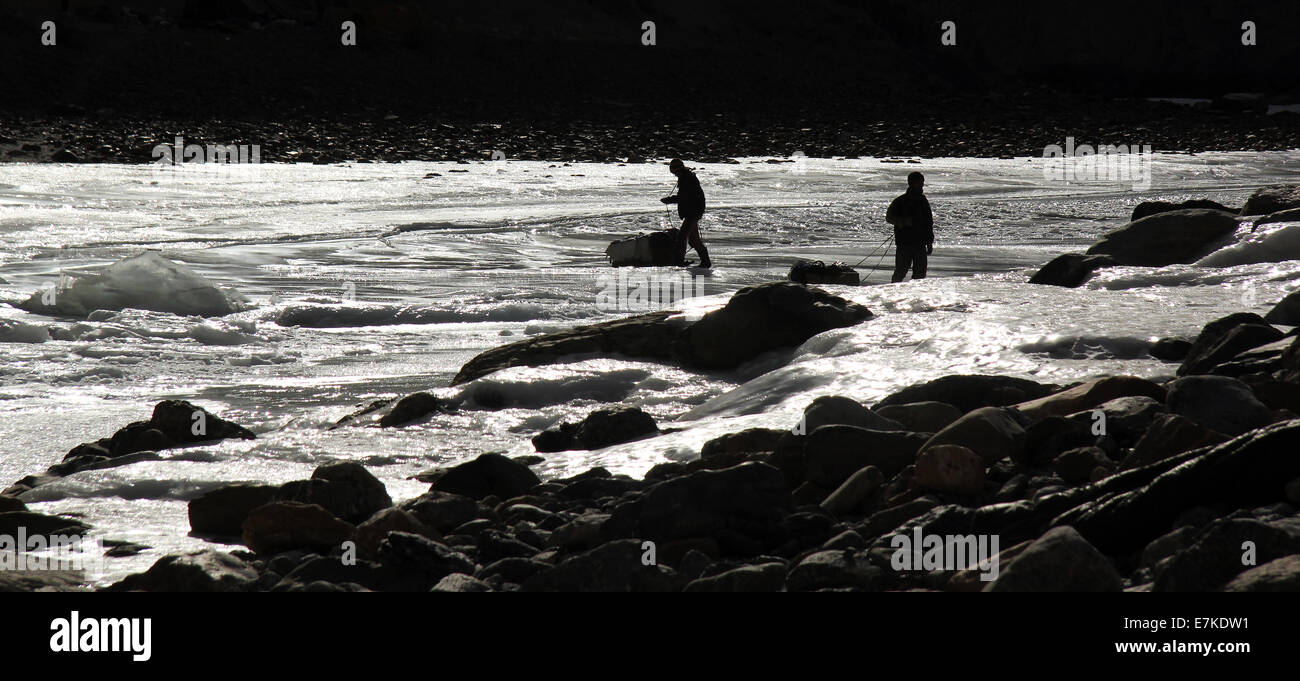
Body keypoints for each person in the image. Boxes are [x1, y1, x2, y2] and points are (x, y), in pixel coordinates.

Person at [660, 158, 711, 268]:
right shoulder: (685, 177)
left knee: (682, 236)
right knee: (693, 240)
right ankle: (705, 261)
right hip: (693, 211)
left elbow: (684, 197)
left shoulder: (687, 179)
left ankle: (679, 261)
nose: (674, 175)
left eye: (674, 172)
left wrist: (669, 200)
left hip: (693, 211)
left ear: (677, 170)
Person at [885, 171, 934, 282]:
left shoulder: (923, 201)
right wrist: (905, 222)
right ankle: (893, 292)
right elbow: (889, 217)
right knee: (901, 271)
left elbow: (929, 223)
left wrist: (929, 242)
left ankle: (915, 296)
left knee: (920, 274)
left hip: (920, 243)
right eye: (919, 182)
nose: (922, 185)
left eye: (922, 182)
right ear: (911, 183)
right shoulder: (900, 201)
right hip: (904, 243)